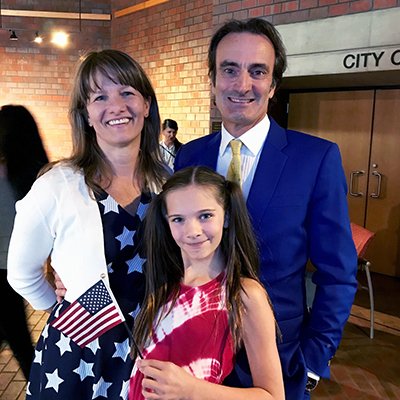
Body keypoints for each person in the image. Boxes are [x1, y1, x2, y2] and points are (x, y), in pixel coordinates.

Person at [174, 18, 358, 399]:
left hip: (280, 362)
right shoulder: (190, 156)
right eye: (230, 70)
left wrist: (311, 363)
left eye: (258, 71)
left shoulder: (315, 158)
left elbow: (337, 273)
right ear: (212, 81)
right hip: (194, 357)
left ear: (273, 85)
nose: (243, 85)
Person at [7, 49, 168, 399]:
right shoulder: (57, 184)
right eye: (100, 97)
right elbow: (21, 273)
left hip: (152, 348)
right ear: (86, 114)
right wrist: (65, 305)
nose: (116, 105)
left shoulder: (168, 184)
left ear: (146, 105)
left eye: (128, 92)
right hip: (79, 355)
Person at [129, 166, 284, 400]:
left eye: (205, 216)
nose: (192, 231)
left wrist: (192, 390)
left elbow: (272, 396)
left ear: (227, 216)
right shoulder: (160, 284)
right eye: (178, 219)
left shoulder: (243, 294)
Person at [0, 104, 48, 380]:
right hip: (14, 271)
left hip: (9, 273)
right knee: (17, 337)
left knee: (18, 339)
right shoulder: (37, 175)